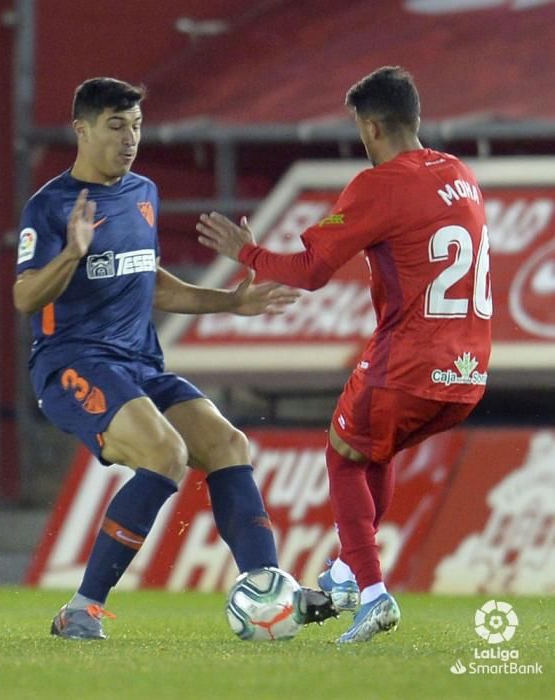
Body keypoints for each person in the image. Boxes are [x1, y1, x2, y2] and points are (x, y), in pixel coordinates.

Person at [13, 77, 335, 640]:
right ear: (81, 130)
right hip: (72, 365)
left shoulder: (143, 192)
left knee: (227, 444)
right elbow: (25, 297)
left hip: (141, 364)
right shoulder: (51, 206)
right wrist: (72, 253)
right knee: (164, 453)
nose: (130, 138)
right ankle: (81, 610)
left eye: (136, 126)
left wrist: (230, 302)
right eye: (116, 126)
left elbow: (151, 282)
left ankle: (267, 588)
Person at [196, 66, 492, 644]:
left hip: (407, 361)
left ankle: (373, 593)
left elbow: (310, 272)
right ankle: (341, 576)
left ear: (374, 126)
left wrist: (248, 252)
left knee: (342, 455)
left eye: (360, 128)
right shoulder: (459, 173)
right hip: (468, 373)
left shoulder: (379, 183)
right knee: (370, 452)